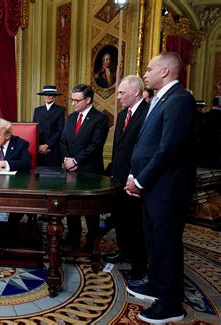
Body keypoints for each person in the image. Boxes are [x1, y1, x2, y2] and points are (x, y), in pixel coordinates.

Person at [125, 52, 196, 323]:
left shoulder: (180, 100)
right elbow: (146, 145)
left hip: (167, 190)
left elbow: (168, 149)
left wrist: (140, 180)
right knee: (153, 242)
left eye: (150, 68)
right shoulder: (160, 99)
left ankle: (171, 303)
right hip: (152, 187)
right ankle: (156, 285)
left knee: (166, 245)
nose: (145, 73)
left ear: (165, 71)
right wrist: (135, 175)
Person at [103, 75, 148, 280]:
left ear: (136, 92)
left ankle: (140, 262)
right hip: (119, 177)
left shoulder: (147, 114)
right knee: (121, 218)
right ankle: (124, 251)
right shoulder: (122, 115)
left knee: (136, 222)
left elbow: (144, 149)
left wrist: (134, 176)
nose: (118, 96)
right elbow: (118, 149)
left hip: (135, 178)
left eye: (122, 92)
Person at [60, 84, 109, 252]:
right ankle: (73, 238)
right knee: (72, 207)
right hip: (70, 170)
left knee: (90, 211)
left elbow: (95, 145)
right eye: (72, 100)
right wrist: (67, 159)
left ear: (88, 100)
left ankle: (91, 242)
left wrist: (76, 161)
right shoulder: (71, 118)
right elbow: (63, 141)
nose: (73, 103)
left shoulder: (100, 118)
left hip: (90, 171)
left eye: (77, 100)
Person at [33, 85, 66, 167]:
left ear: (55, 96)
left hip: (53, 148)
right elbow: (34, 130)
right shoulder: (37, 110)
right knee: (38, 176)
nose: (48, 96)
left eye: (50, 94)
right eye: (46, 94)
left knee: (54, 176)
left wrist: (47, 145)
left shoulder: (60, 110)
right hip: (39, 149)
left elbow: (60, 130)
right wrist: (38, 147)